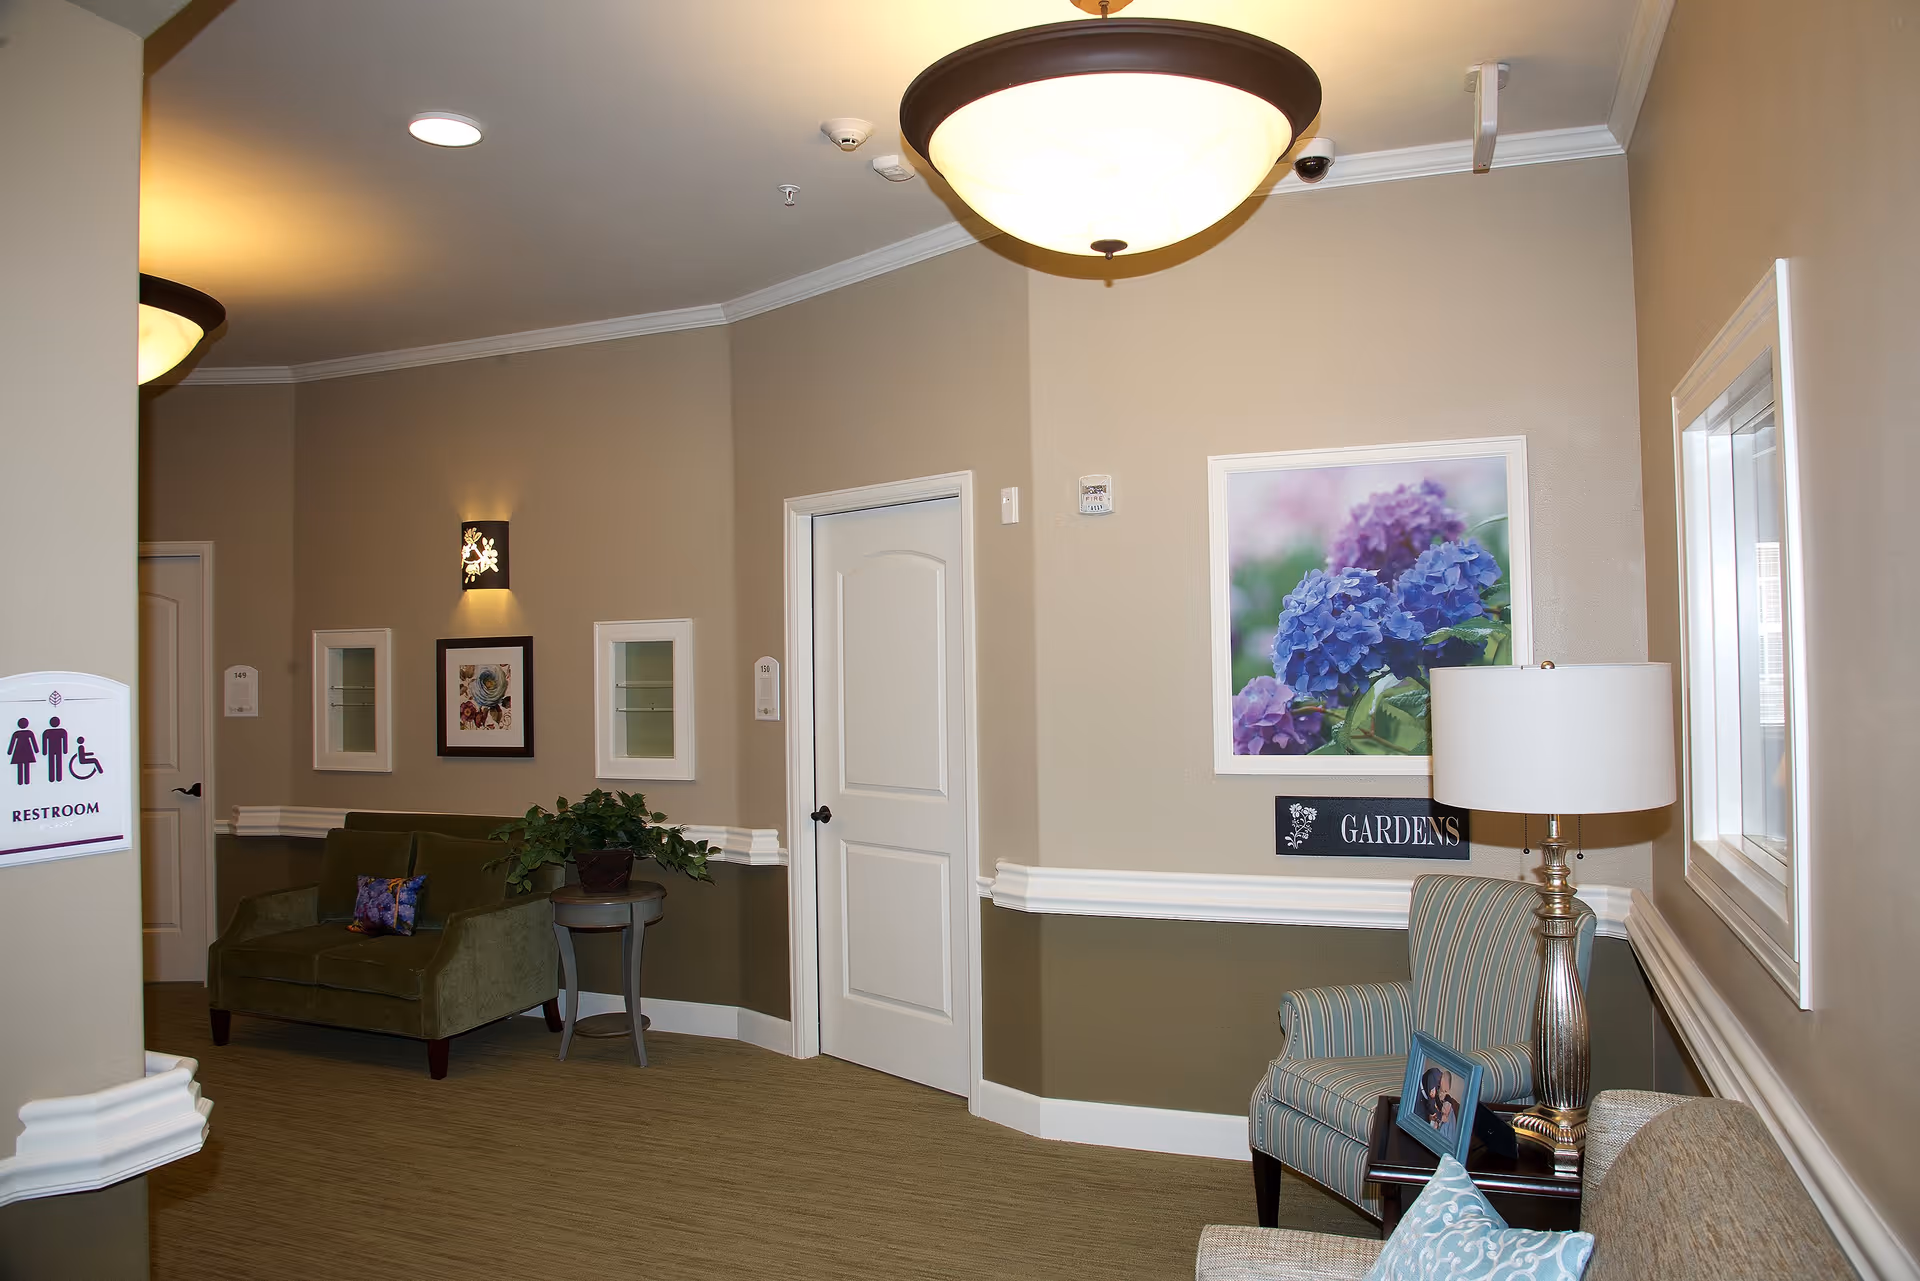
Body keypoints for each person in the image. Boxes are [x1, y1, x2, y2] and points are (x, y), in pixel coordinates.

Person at [8, 718, 37, 785]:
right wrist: (36, 750)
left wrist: (10, 751)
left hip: (19, 751)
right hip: (26, 751)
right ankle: (25, 781)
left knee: (22, 766)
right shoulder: (27, 733)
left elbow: (12, 743)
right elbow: (33, 742)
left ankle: (23, 781)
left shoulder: (17, 733)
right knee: (25, 765)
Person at [40, 716, 67, 783]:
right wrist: (65, 750)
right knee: (57, 762)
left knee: (53, 762)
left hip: (52, 749)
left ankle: (55, 777)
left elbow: (44, 742)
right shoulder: (61, 731)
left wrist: (44, 751)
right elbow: (65, 741)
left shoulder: (48, 732)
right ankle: (56, 777)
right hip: (57, 749)